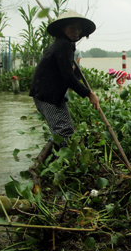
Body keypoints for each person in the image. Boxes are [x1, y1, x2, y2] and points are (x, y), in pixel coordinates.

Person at [29, 10, 100, 162]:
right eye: (72, 28)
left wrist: (79, 78)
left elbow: (67, 72)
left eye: (79, 28)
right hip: (48, 94)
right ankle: (42, 164)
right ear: (63, 29)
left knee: (60, 130)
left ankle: (48, 163)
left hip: (48, 93)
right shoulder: (63, 46)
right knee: (64, 130)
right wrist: (89, 94)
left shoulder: (64, 44)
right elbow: (67, 77)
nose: (76, 31)